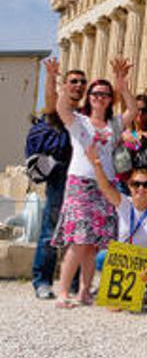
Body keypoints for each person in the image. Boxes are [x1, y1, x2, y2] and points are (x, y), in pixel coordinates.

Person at [52, 57, 137, 308]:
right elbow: (61, 108)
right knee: (79, 240)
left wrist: (122, 85)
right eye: (96, 93)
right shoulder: (79, 121)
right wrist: (61, 84)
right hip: (80, 183)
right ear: (89, 97)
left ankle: (85, 291)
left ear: (110, 99)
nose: (100, 97)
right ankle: (63, 292)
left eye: (105, 94)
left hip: (106, 185)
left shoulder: (114, 124)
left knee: (93, 244)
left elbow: (132, 110)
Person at [32, 58, 85, 300]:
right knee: (50, 232)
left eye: (82, 82)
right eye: (73, 81)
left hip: (81, 176)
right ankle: (42, 281)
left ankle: (73, 282)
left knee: (78, 233)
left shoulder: (84, 114)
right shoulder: (58, 112)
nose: (78, 85)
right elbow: (51, 103)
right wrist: (51, 77)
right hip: (60, 174)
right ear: (65, 85)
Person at [90, 157, 147, 313]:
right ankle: (121, 294)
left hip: (146, 259)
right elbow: (105, 187)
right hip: (125, 259)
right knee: (101, 257)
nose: (141, 188)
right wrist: (97, 165)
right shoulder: (124, 202)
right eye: (136, 184)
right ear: (129, 185)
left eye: (146, 184)